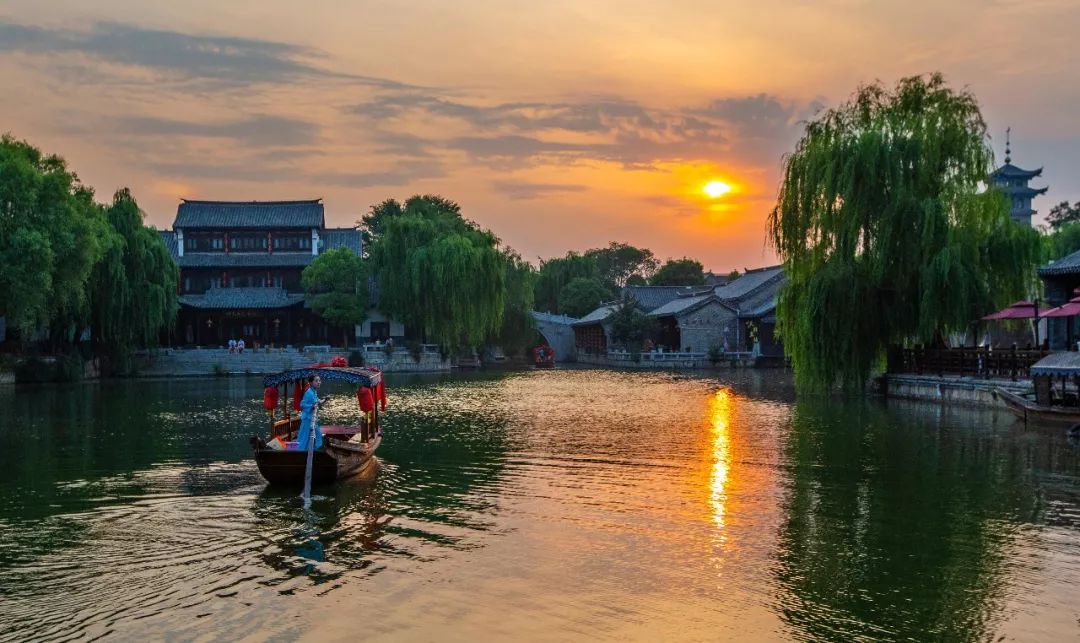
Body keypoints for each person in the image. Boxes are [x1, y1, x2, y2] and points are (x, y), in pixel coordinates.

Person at [297, 375, 324, 451]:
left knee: (317, 434)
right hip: (307, 419)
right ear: (311, 383)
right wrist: (311, 406)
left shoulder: (314, 392)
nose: (319, 382)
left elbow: (317, 401)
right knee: (304, 436)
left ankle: (315, 449)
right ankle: (299, 452)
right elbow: (302, 404)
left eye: (319, 380)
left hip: (313, 418)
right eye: (316, 381)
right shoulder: (309, 393)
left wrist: (323, 401)